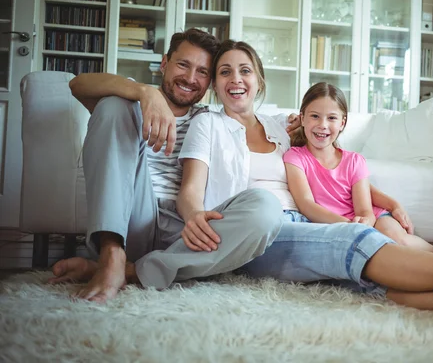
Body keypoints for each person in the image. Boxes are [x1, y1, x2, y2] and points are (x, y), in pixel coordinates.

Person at [176, 38, 433, 328]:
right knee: (352, 242)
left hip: (300, 228)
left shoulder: (279, 128)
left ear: (259, 80)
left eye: (245, 70)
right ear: (214, 84)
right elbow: (192, 190)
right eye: (225, 71)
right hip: (259, 232)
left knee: (357, 278)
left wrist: (380, 201)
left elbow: (329, 156)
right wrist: (194, 215)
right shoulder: (208, 124)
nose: (236, 79)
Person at [49, 29, 296, 302]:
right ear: (164, 63)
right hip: (133, 214)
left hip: (183, 229)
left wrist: (297, 124)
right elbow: (78, 85)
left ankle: (131, 271)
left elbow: (254, 117)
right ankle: (111, 254)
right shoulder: (133, 98)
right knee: (112, 106)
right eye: (183, 65)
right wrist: (145, 93)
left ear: (210, 82)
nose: (190, 78)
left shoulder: (210, 118)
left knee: (265, 207)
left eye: (202, 72)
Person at [284, 82, 433, 254]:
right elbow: (306, 205)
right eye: (315, 116)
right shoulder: (294, 157)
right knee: (386, 255)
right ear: (302, 118)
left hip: (371, 220)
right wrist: (349, 227)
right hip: (342, 225)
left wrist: (365, 222)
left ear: (342, 123)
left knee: (398, 241)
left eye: (331, 118)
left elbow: (365, 210)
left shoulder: (354, 160)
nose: (323, 124)